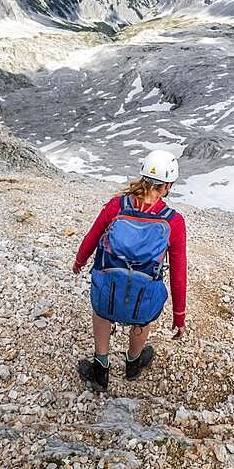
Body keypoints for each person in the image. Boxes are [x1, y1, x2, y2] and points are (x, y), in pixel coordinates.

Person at [73, 149, 187, 390]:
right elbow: (178, 273)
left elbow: (91, 239)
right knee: (144, 309)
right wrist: (179, 316)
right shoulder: (173, 222)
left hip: (108, 291)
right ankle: (133, 364)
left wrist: (79, 262)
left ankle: (101, 369)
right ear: (167, 186)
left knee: (102, 306)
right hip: (141, 300)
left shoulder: (116, 206)